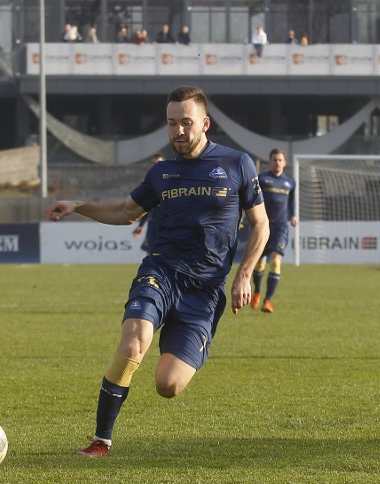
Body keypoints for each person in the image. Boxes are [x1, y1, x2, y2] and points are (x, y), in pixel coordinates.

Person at [46, 85, 269, 457]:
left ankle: (189, 345)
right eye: (171, 124)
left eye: (186, 123)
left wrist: (244, 274)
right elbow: (123, 212)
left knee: (168, 385)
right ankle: (101, 440)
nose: (178, 131)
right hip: (161, 272)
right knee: (134, 342)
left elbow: (260, 225)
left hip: (206, 291)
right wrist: (77, 205)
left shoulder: (237, 164)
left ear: (205, 123)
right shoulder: (162, 173)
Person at [250, 149, 298, 314]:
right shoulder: (262, 179)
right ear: (269, 162)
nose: (277, 162)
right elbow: (253, 199)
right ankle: (257, 291)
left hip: (281, 227)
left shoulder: (290, 182)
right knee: (260, 262)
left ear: (284, 162)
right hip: (263, 226)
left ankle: (268, 300)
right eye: (274, 160)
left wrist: (293, 216)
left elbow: (291, 202)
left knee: (276, 262)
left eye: (280, 160)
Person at [131, 153, 166, 255]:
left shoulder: (171, 181)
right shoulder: (150, 183)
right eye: (153, 163)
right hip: (153, 224)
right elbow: (147, 207)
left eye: (158, 163)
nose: (156, 165)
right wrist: (141, 225)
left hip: (167, 224)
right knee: (150, 254)